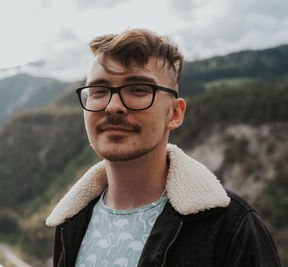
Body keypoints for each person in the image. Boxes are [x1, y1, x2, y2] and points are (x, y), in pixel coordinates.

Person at [46, 29, 281, 267]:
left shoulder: (231, 228)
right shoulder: (70, 221)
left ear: (175, 113)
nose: (113, 106)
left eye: (138, 89)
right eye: (99, 91)